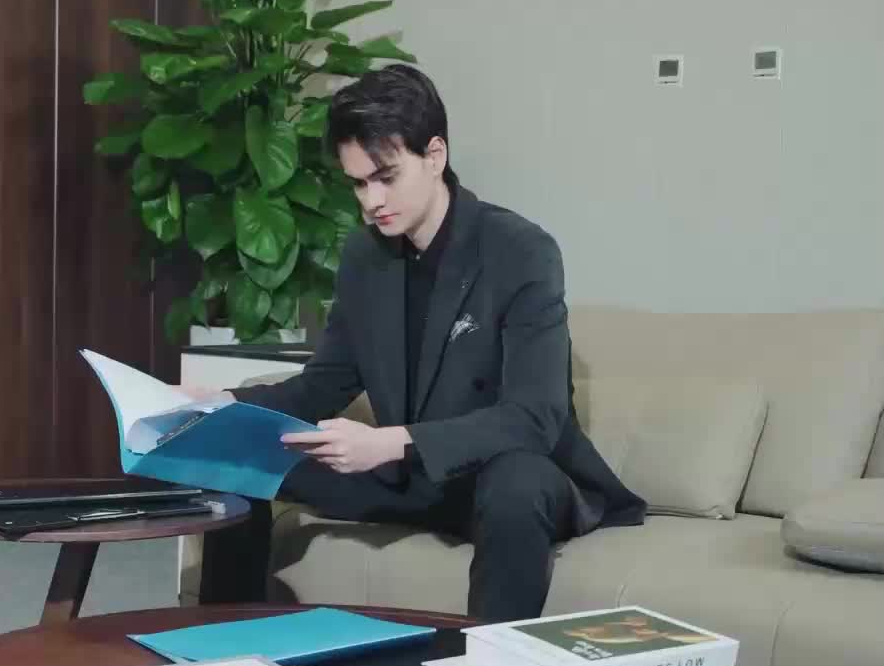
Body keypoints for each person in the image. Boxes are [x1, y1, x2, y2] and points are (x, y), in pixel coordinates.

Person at [198, 64, 645, 623]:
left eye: (386, 177)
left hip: (499, 477)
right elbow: (325, 383)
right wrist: (217, 407)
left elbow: (535, 417)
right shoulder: (366, 256)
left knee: (516, 482)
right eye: (358, 183)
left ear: (435, 155)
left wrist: (390, 442)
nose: (371, 200)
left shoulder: (520, 250)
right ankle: (220, 645)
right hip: (411, 479)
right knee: (234, 456)